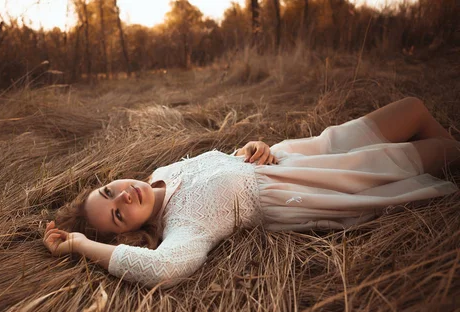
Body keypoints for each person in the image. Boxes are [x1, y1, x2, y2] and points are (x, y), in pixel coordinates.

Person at [43, 97, 460, 288]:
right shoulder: (186, 225)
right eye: (118, 214)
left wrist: (251, 147)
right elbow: (163, 270)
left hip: (299, 154)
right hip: (317, 183)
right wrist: (80, 245)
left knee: (412, 109)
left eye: (110, 191)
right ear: (127, 235)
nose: (124, 197)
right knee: (442, 151)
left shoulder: (160, 172)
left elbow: (224, 161)